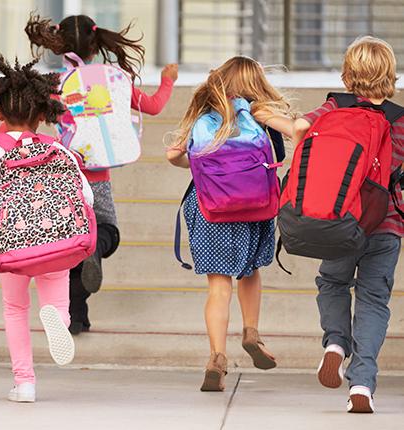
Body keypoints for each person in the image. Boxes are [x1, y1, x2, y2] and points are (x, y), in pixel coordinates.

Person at [24, 13, 178, 335]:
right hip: (98, 177)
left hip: (62, 176)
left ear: (59, 44)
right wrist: (168, 81)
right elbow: (153, 106)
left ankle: (76, 318)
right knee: (107, 230)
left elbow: (29, 120)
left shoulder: (54, 85)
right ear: (96, 45)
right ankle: (97, 245)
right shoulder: (114, 78)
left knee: (69, 246)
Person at [0, 55, 94, 403]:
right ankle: (59, 321)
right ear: (41, 115)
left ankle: (25, 383)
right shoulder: (57, 147)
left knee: (15, 309)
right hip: (57, 242)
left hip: (14, 244)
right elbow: (87, 196)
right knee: (56, 298)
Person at [286, 36, 402, 414]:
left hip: (340, 219)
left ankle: (335, 343)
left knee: (333, 282)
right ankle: (363, 385)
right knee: (372, 301)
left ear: (348, 73)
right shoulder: (400, 120)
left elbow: (300, 128)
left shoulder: (335, 106)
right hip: (385, 226)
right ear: (390, 73)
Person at [166, 56, 292, 391]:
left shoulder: (204, 117)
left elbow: (175, 157)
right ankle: (252, 333)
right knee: (250, 271)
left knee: (218, 286)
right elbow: (287, 145)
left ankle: (217, 358)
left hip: (211, 209)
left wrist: (192, 160)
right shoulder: (261, 116)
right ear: (255, 85)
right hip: (255, 207)